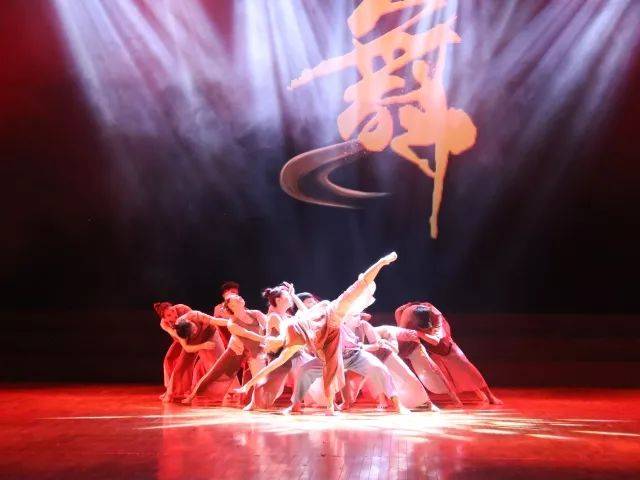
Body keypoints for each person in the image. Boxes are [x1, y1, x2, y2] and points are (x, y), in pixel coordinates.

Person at [238, 252, 405, 415]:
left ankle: (381, 262)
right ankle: (298, 405)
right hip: (328, 345)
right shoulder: (290, 346)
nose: (267, 341)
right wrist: (248, 385)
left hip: (340, 332)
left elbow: (305, 313)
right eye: (268, 344)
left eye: (267, 341)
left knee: (356, 289)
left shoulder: (286, 326)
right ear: (274, 347)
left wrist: (294, 297)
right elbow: (272, 366)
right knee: (305, 372)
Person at [395, 302, 502, 405]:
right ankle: (457, 398)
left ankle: (489, 396)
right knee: (443, 376)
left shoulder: (436, 316)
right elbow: (401, 334)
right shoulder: (404, 314)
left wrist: (419, 333)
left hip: (446, 346)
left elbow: (435, 340)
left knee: (466, 368)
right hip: (430, 349)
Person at [182, 294, 267, 404]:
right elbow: (248, 334)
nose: (239, 299)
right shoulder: (232, 323)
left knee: (253, 373)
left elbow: (267, 325)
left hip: (252, 351)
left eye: (239, 297)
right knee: (214, 373)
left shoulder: (255, 314)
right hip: (235, 351)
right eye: (235, 299)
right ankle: (192, 396)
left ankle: (249, 400)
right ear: (231, 306)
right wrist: (265, 339)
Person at [245, 284, 314, 410]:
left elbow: (306, 313)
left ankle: (297, 404)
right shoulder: (274, 317)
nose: (290, 299)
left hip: (293, 353)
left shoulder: (286, 316)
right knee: (270, 386)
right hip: (279, 356)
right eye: (287, 296)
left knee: (307, 372)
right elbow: (285, 336)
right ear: (278, 300)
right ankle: (254, 403)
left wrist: (293, 295)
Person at [345, 313, 434, 410]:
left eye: (357, 316)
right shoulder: (344, 329)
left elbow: (386, 347)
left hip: (384, 354)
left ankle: (426, 402)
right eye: (354, 316)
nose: (357, 319)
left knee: (407, 376)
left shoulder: (377, 328)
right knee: (375, 381)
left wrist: (383, 343)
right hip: (367, 359)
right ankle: (350, 402)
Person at [155, 304, 227, 403]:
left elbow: (211, 321)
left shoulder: (188, 312)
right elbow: (184, 344)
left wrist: (231, 322)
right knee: (175, 362)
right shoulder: (167, 325)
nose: (173, 314)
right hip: (184, 338)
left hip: (200, 333)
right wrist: (201, 346)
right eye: (168, 315)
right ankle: (170, 391)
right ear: (164, 318)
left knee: (212, 362)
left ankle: (189, 390)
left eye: (173, 310)